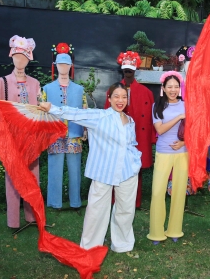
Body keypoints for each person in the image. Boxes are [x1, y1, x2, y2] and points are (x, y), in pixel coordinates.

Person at [38, 82, 141, 253]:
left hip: (128, 172)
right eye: (116, 96)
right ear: (109, 98)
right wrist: (52, 108)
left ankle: (122, 245)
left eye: (124, 97)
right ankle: (90, 248)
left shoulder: (130, 121)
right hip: (103, 172)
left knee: (125, 210)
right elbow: (75, 113)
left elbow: (132, 144)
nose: (120, 100)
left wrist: (136, 160)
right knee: (96, 212)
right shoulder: (99, 116)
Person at [0, 35, 40, 229]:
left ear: (29, 60)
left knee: (32, 178)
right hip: (10, 140)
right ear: (11, 57)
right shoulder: (1, 83)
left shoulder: (36, 84)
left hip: (31, 139)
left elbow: (40, 111)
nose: (20, 61)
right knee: (12, 180)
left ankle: (32, 217)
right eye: (17, 57)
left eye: (24, 58)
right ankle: (13, 221)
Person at [106, 51, 156, 208]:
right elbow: (107, 116)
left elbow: (150, 119)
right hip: (119, 137)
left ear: (136, 69)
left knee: (136, 170)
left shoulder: (146, 93)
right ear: (122, 69)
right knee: (117, 167)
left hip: (138, 138)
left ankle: (136, 201)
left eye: (131, 68)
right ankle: (116, 201)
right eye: (126, 68)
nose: (128, 71)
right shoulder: (112, 91)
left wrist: (150, 139)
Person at [42, 43, 87, 212]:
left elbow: (84, 111)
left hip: (74, 134)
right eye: (60, 64)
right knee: (54, 169)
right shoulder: (46, 89)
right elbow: (43, 115)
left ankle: (75, 202)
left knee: (75, 170)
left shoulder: (79, 90)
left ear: (70, 66)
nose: (63, 67)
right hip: (54, 135)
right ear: (56, 66)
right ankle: (55, 202)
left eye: (66, 64)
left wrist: (85, 130)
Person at [147, 71, 188, 244]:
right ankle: (156, 232)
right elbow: (160, 130)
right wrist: (179, 117)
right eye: (169, 86)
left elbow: (194, 130)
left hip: (182, 154)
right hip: (163, 153)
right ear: (163, 88)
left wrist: (184, 142)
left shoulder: (187, 105)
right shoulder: (157, 107)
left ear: (180, 88)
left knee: (179, 192)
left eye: (176, 86)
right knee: (157, 192)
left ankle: (174, 230)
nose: (173, 90)